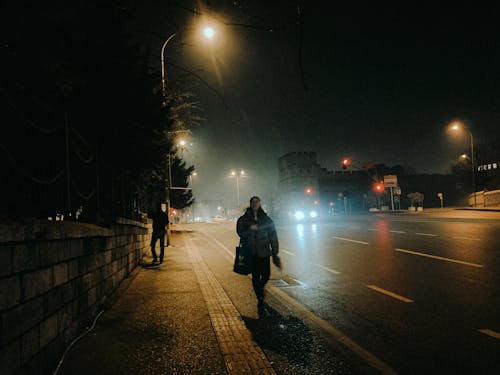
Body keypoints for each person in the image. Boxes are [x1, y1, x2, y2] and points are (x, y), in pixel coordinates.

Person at [237, 196, 280, 315]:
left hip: (264, 252)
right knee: (256, 277)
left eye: (257, 202)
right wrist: (250, 228)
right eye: (253, 202)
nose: (255, 203)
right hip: (251, 253)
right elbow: (240, 232)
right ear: (250, 204)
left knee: (266, 275)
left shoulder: (266, 219)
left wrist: (275, 253)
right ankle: (260, 302)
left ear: (260, 204)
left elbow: (273, 237)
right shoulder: (245, 219)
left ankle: (260, 291)